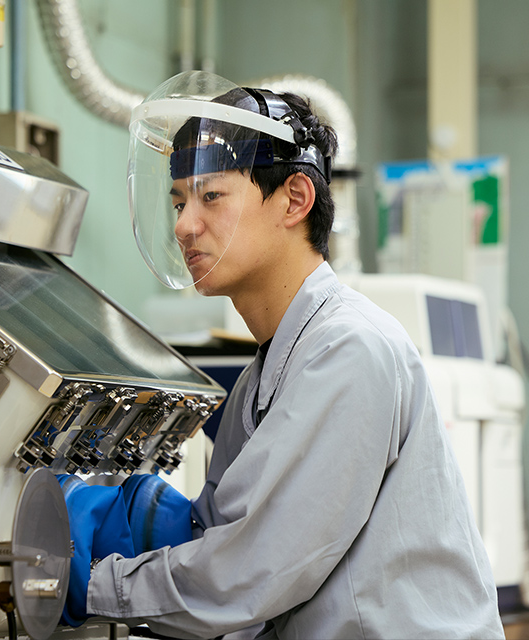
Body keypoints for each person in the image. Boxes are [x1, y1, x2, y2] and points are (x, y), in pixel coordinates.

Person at [68, 70, 505, 639]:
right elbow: (229, 543)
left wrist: (91, 586)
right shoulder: (262, 380)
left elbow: (255, 572)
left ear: (294, 199)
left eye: (211, 196)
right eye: (177, 201)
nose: (183, 224)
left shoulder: (349, 349)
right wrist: (152, 522)